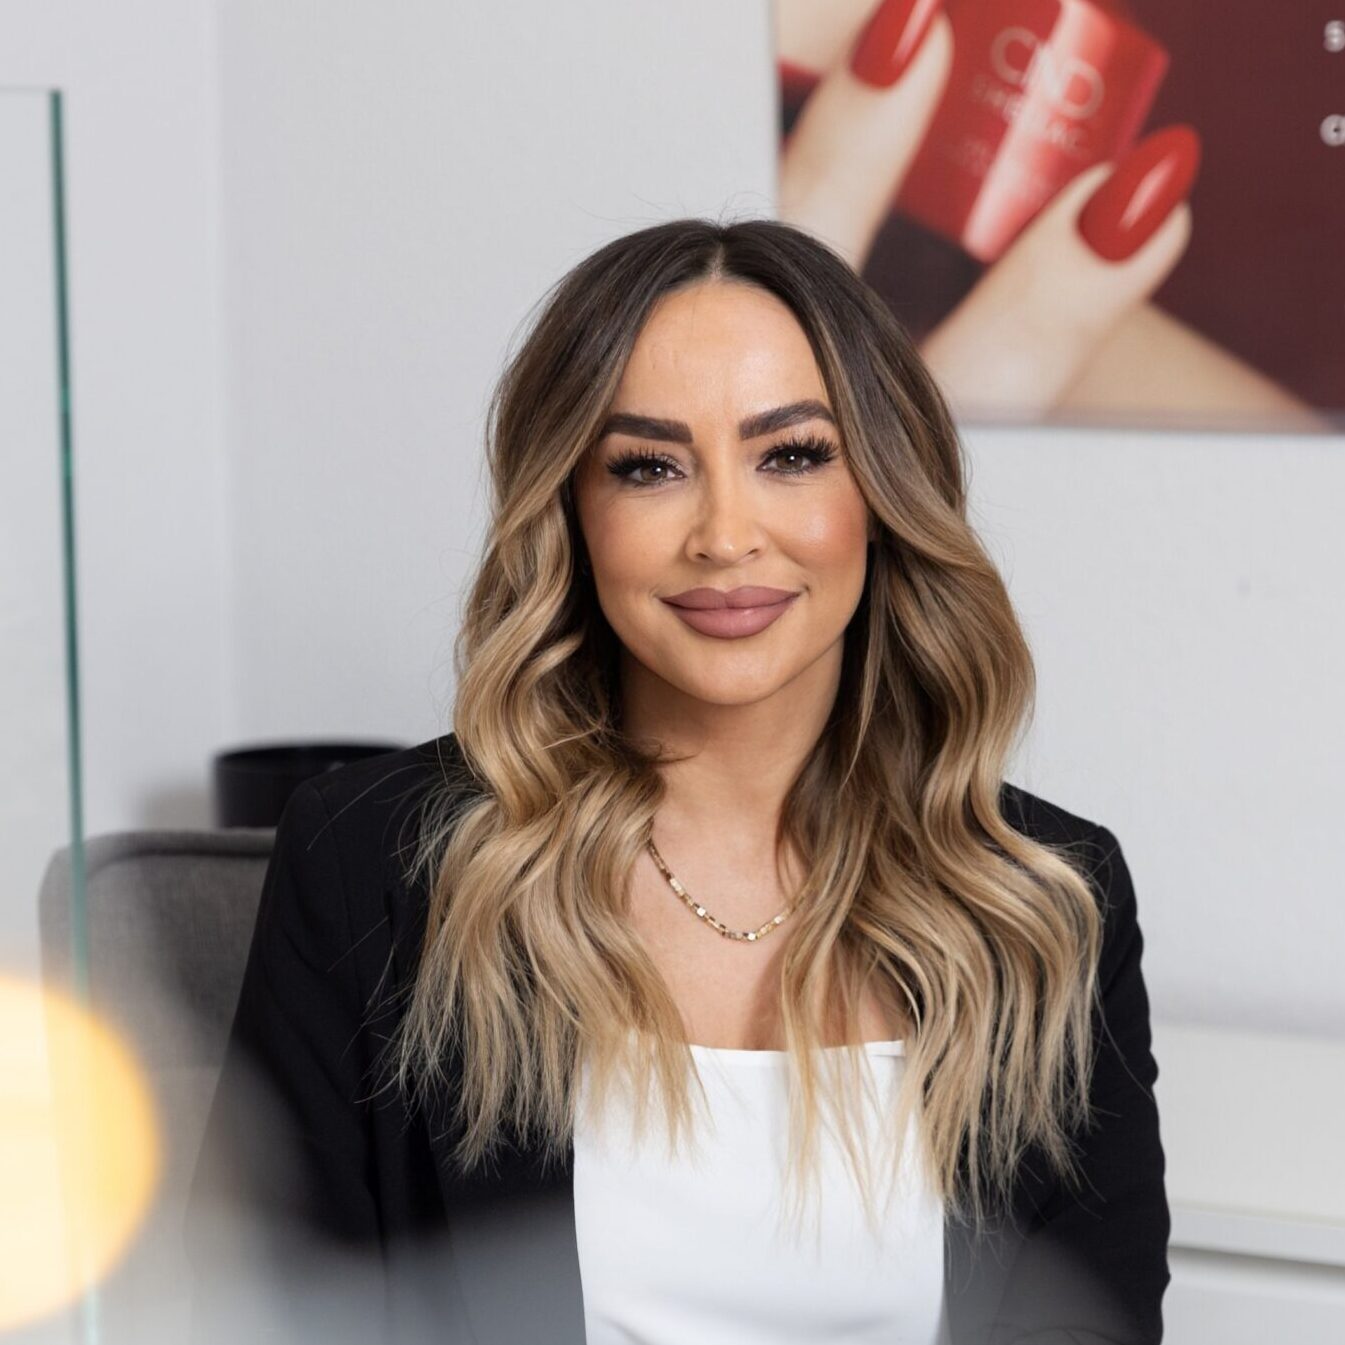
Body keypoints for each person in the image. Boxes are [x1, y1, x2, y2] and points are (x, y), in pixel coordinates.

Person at [185, 217, 1169, 1345]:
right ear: (571, 508)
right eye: (648, 467)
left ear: (883, 491)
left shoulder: (1046, 898)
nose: (724, 535)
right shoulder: (372, 865)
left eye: (790, 454)